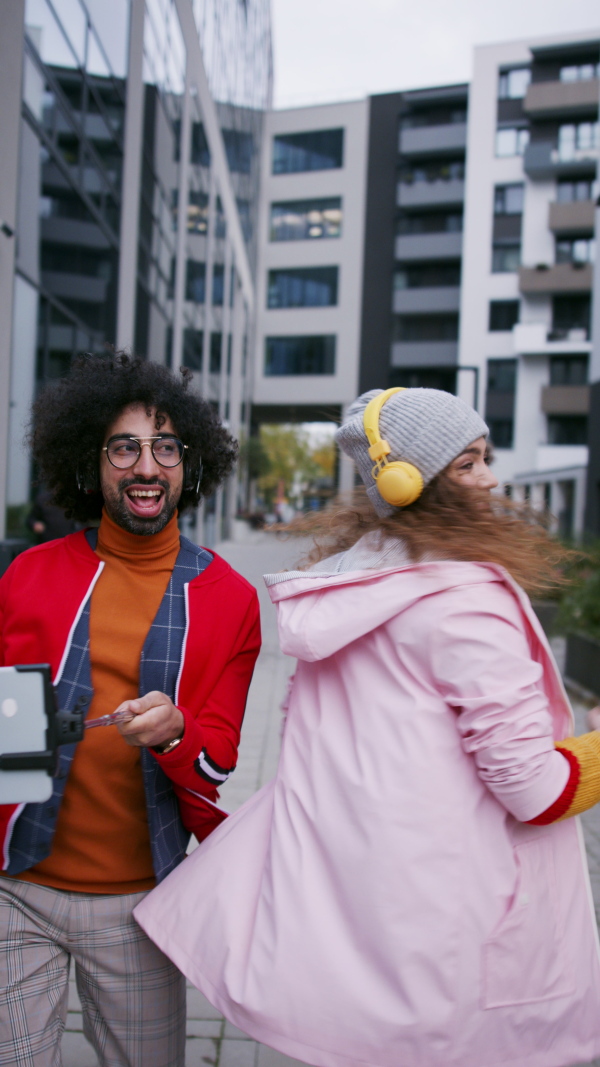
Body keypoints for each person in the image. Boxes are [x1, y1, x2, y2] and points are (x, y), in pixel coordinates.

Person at [135, 386, 600, 1067]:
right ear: (416, 481)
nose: (491, 478)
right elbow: (534, 790)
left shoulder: (350, 584)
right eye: (469, 462)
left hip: (367, 913)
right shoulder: (467, 602)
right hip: (457, 925)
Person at [0, 352, 261, 1067]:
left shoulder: (232, 599)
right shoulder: (27, 574)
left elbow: (216, 763)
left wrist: (175, 732)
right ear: (93, 464)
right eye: (125, 446)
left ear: (190, 465)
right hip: (15, 891)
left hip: (141, 905)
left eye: (166, 447)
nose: (147, 465)